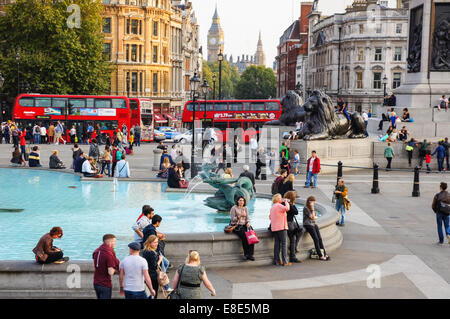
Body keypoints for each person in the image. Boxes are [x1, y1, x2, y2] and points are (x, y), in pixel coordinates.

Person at [92, 234, 120, 299]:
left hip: (96, 282)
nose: (115, 244)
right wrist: (117, 270)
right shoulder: (108, 254)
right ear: (109, 242)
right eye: (114, 242)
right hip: (105, 284)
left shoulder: (97, 251)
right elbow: (110, 272)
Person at [303, 196, 329, 260]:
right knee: (316, 239)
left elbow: (314, 216)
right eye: (312, 202)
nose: (313, 203)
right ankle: (320, 255)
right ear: (309, 202)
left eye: (314, 202)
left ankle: (324, 253)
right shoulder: (305, 208)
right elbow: (312, 217)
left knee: (320, 239)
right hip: (308, 224)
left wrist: (313, 209)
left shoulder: (311, 208)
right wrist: (312, 208)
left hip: (313, 223)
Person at [230, 196, 255, 261]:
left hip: (244, 225)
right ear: (237, 201)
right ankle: (246, 254)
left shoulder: (245, 208)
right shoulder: (234, 208)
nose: (241, 202)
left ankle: (251, 254)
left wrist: (248, 223)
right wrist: (239, 216)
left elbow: (247, 218)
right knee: (244, 236)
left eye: (243, 201)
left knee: (251, 236)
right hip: (237, 226)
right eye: (240, 200)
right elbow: (232, 219)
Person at [270, 193, 291, 266]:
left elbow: (270, 217)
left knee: (277, 244)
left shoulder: (272, 207)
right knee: (284, 244)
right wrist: (286, 202)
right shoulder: (279, 205)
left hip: (275, 228)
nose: (281, 199)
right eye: (280, 198)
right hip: (282, 227)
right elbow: (287, 208)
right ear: (277, 199)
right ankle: (285, 261)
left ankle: (277, 260)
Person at [283, 191, 303, 263]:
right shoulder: (288, 205)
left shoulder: (285, 203)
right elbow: (296, 212)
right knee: (292, 239)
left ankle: (294, 247)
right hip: (288, 223)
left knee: (301, 230)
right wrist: (292, 204)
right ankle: (292, 256)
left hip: (291, 222)